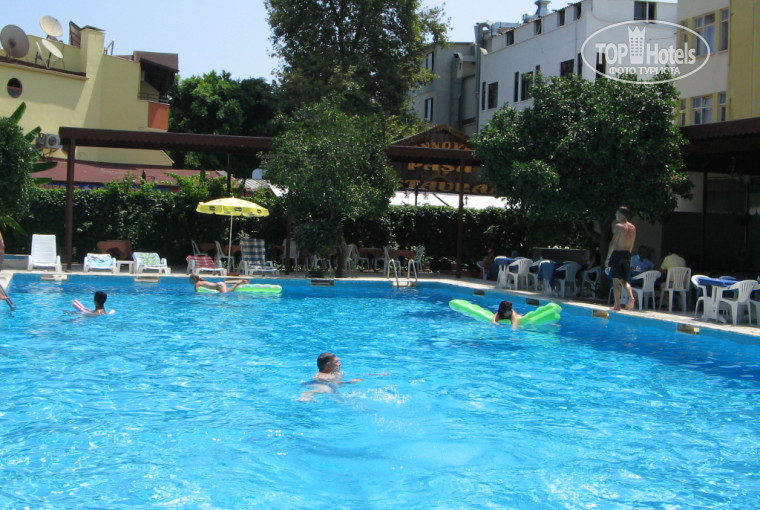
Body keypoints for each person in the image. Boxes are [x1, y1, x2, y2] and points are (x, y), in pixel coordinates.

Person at [298, 352, 364, 402]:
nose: (340, 363)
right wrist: (348, 382)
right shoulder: (322, 375)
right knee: (327, 389)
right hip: (318, 384)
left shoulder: (334, 373)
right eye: (336, 362)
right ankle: (305, 395)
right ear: (328, 365)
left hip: (323, 384)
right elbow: (334, 382)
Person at [606, 206, 637, 311]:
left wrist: (608, 258)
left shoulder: (619, 226)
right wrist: (628, 254)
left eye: (617, 213)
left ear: (621, 214)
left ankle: (617, 305)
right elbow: (632, 244)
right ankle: (631, 297)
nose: (615, 215)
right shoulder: (633, 227)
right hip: (627, 254)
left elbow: (613, 242)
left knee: (616, 281)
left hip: (618, 254)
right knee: (624, 280)